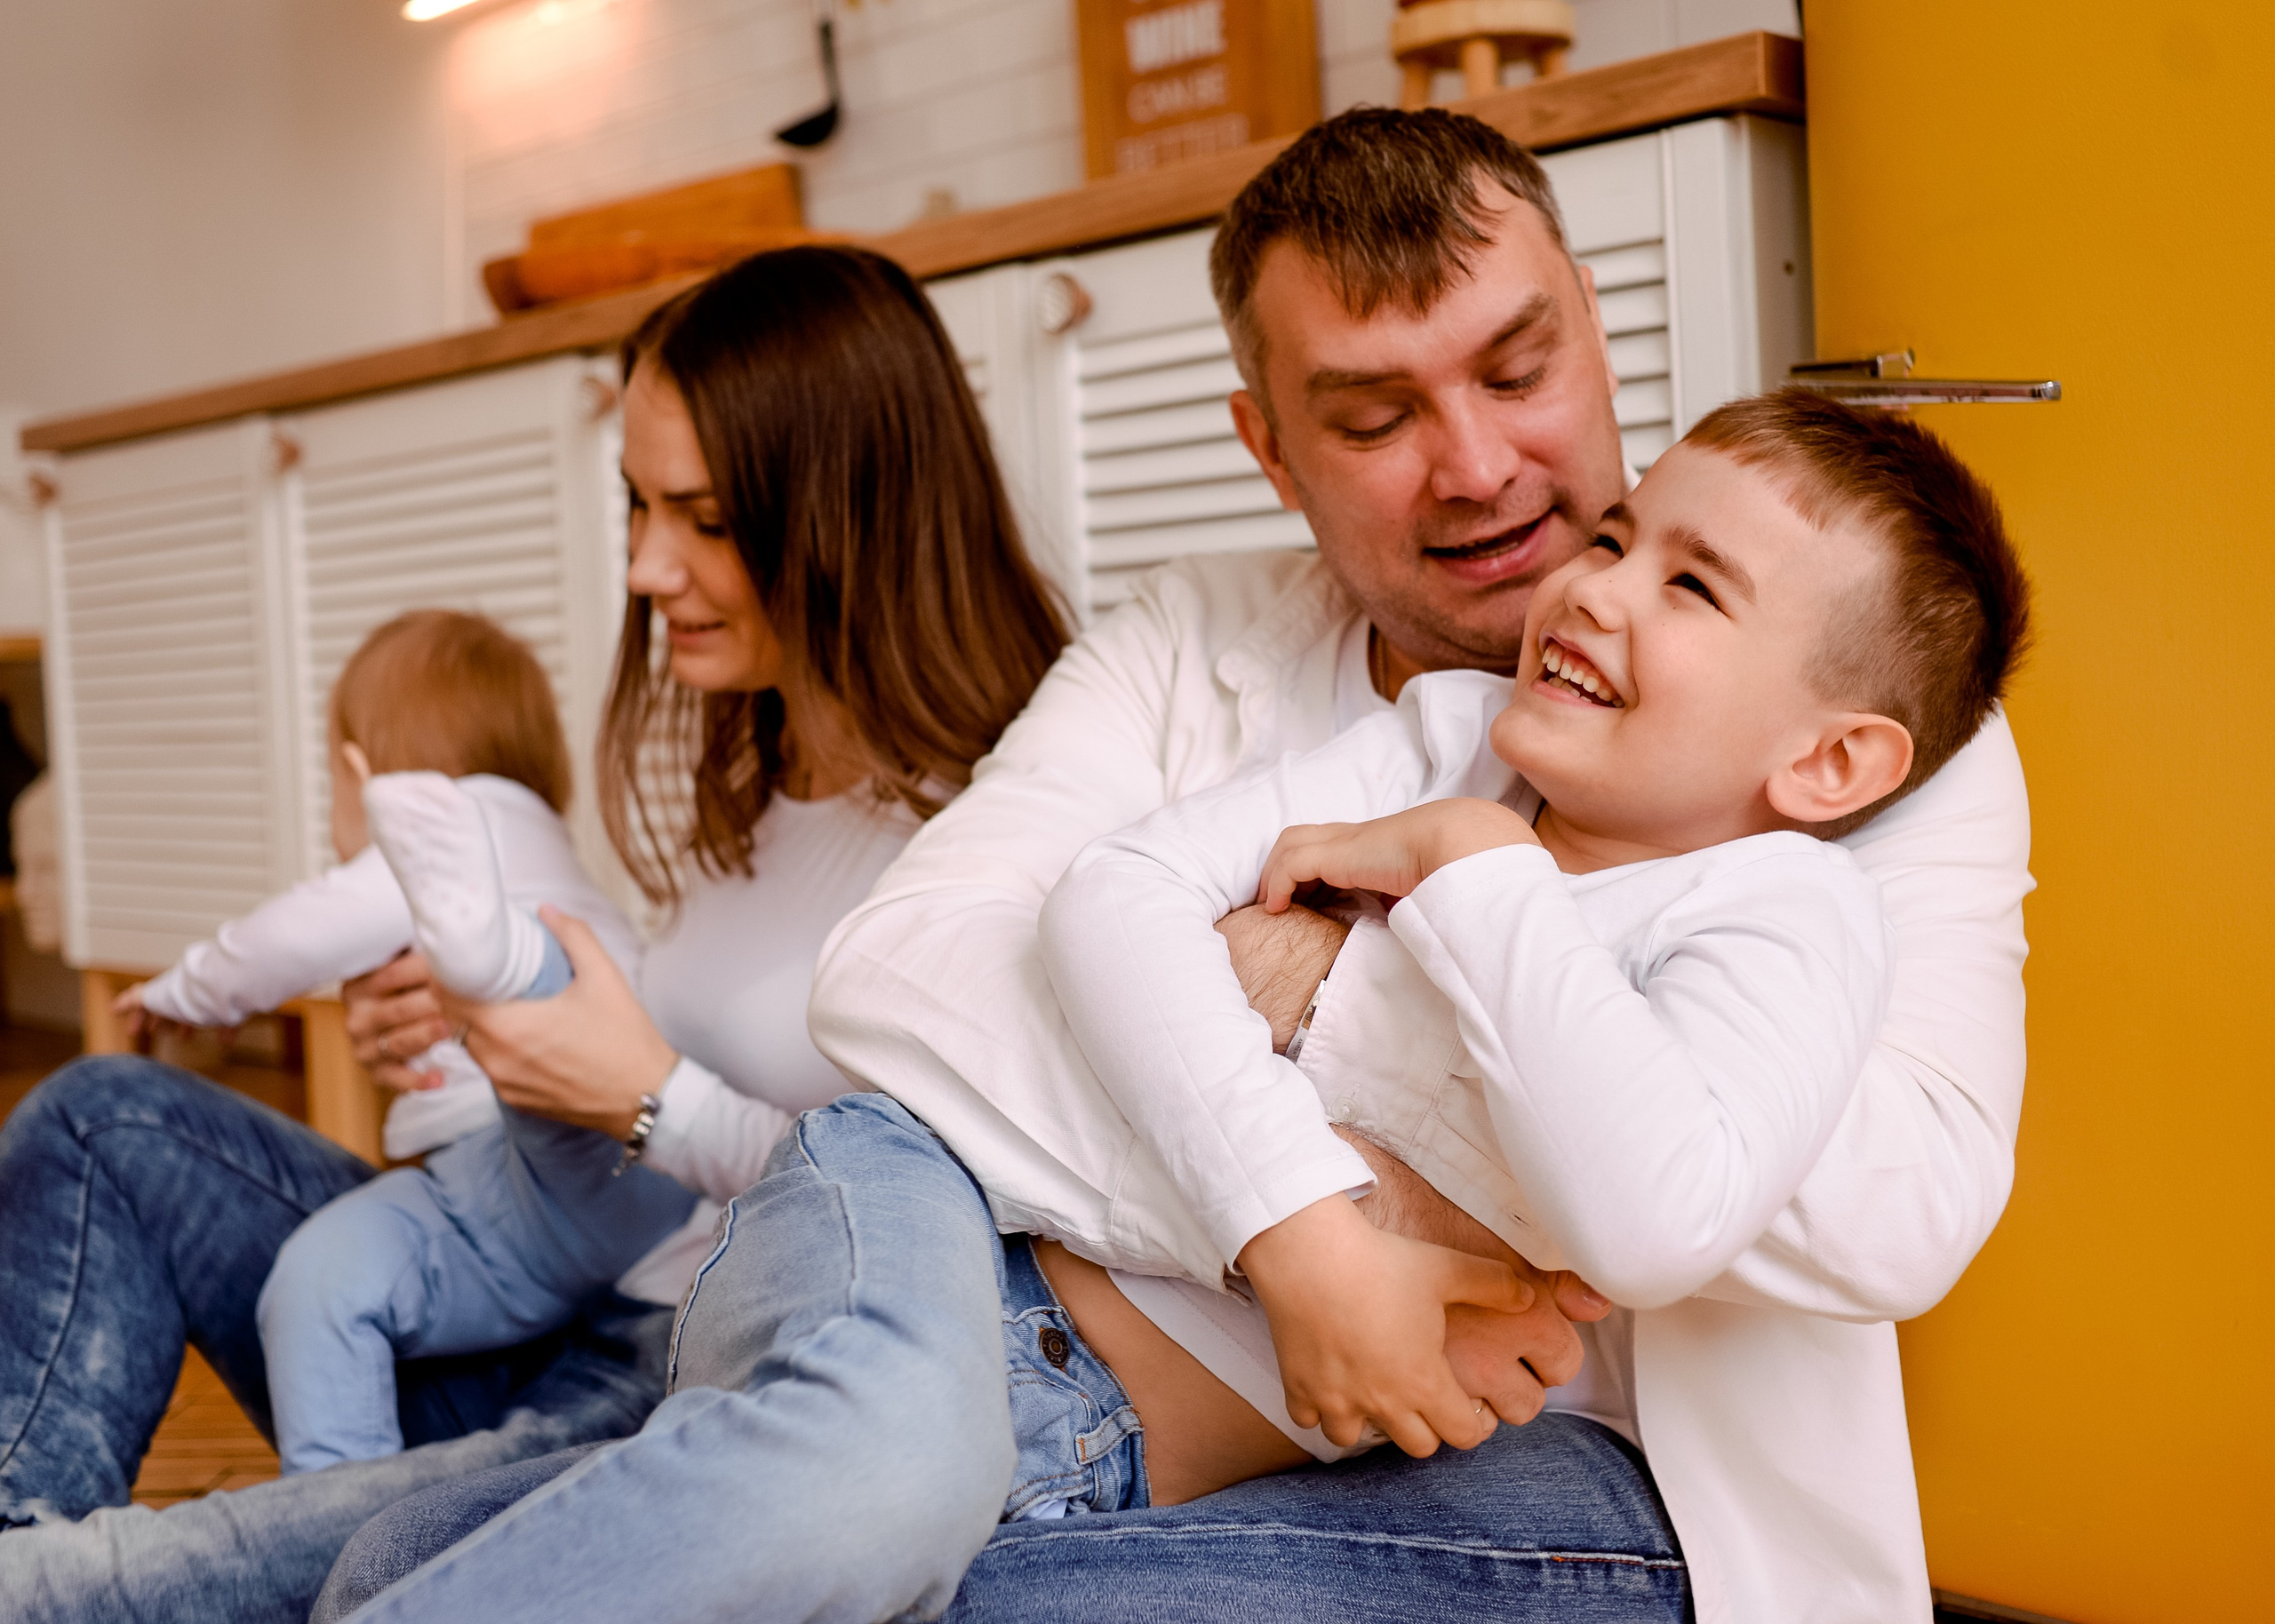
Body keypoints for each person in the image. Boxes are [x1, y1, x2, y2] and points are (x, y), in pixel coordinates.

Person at [304, 111, 2026, 1624]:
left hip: (1551, 1469)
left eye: (1517, 370)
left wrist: (1361, 953)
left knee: (665, 1551)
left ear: (1592, 327)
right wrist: (1305, 1228)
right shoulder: (1331, 692)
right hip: (1009, 1327)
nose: (1485, 467)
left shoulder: (1852, 706)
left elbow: (1885, 1207)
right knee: (469, 1547)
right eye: (1370, 413)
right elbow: (904, 977)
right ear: (1264, 443)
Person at [0, 243, 1067, 1620]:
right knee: (103, 1125)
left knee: (120, 1586)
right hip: (541, 1284)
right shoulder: (762, 772)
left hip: (676, 1391)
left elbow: (950, 1247)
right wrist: (476, 1037)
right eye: (637, 505)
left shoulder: (990, 828)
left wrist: (642, 1099)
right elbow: (638, 1059)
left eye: (701, 518)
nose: (642, 567)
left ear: (845, 505)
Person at [1034, 389, 2031, 1618]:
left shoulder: (1791, 900)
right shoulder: (1458, 732)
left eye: (1693, 587)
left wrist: (1456, 885)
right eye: (1615, 539)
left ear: (1828, 765)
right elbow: (1087, 909)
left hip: (1605, 1471)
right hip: (1161, 1376)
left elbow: (1741, 1207)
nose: (1595, 587)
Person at [114, 609, 666, 1477]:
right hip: (655, 1185)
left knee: (319, 1284)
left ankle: (340, 1524)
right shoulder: (553, 850)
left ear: (358, 772)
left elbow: (289, 937)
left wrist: (183, 991)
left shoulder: (433, 840)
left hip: (515, 1195)